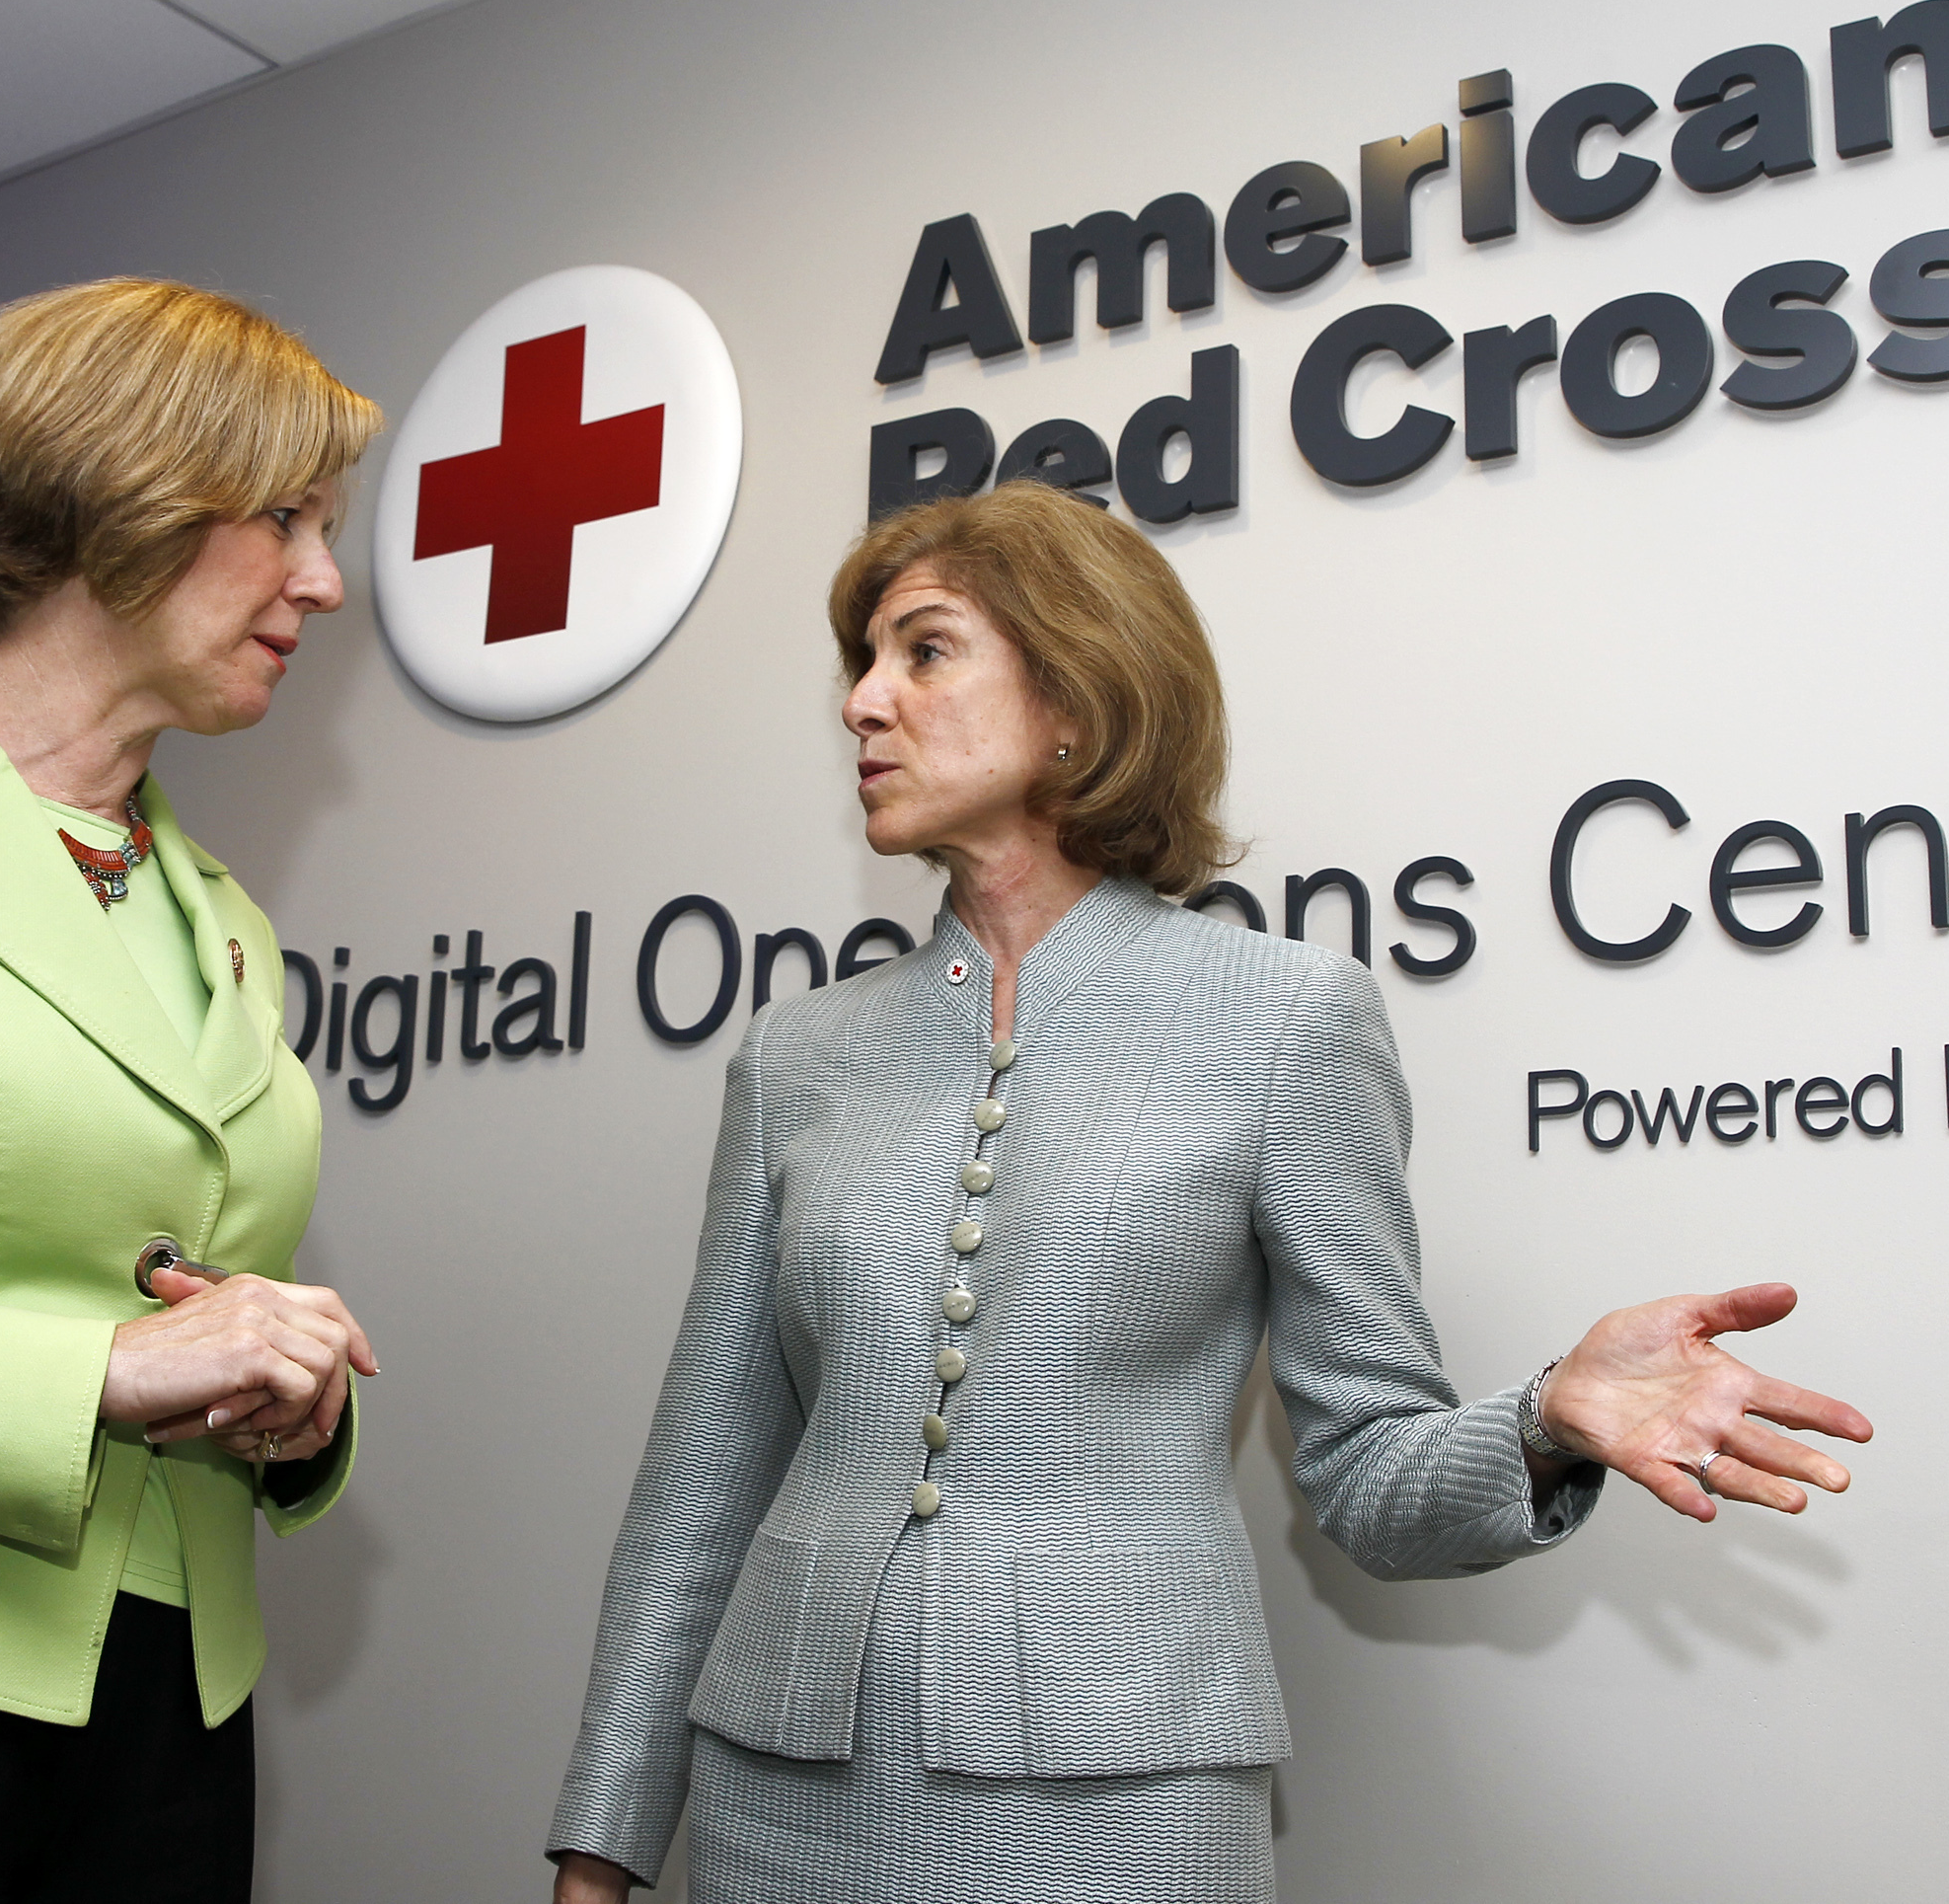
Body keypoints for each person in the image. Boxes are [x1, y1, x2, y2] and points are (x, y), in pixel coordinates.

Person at [547, 481, 1871, 1904]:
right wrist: (602, 1845)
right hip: (778, 1798)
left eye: (921, 651)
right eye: (858, 664)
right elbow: (699, 1491)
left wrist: (1544, 1418)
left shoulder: (1284, 1019)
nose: (863, 703)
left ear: (1075, 690)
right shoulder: (793, 1056)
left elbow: (1365, 1468)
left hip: (1127, 1792)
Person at [0, 278, 383, 1902]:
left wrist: (293, 1399)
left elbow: (196, 1277)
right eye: (284, 515)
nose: (325, 580)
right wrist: (108, 1370)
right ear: (124, 490)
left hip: (170, 1715)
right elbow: (119, 1341)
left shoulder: (219, 918)